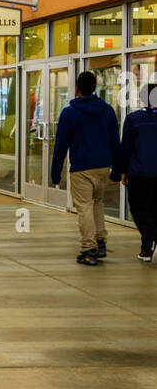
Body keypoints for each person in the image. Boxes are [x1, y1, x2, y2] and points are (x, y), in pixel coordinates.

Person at [50, 70, 121, 265]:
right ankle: (101, 241)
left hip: (82, 168)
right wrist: (116, 169)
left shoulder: (70, 113)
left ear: (77, 89)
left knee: (84, 207)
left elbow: (61, 145)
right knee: (97, 202)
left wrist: (55, 173)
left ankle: (89, 249)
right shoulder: (107, 111)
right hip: (103, 166)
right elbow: (116, 141)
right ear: (95, 89)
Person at [119, 81, 157, 261]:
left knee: (140, 211)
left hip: (140, 174)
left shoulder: (134, 120)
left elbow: (126, 148)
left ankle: (151, 242)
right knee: (153, 211)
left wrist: (122, 170)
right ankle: (146, 250)